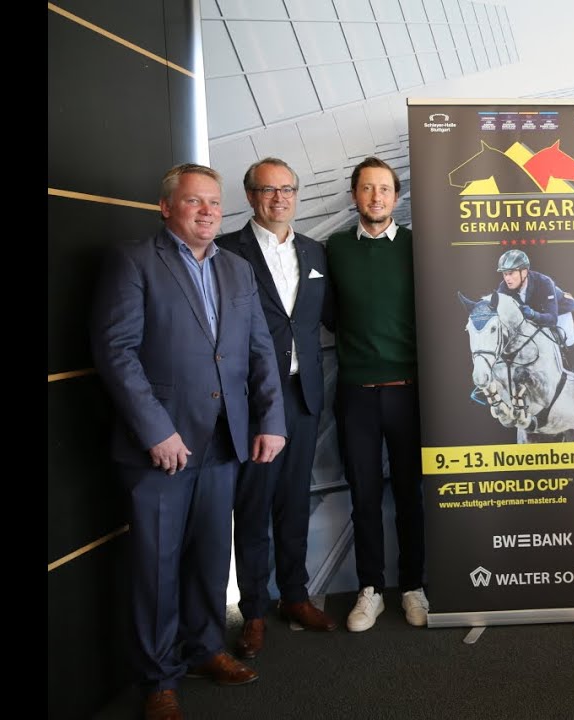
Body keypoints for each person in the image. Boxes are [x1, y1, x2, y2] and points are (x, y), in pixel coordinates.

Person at [90, 163, 286, 720]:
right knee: (156, 566)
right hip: (161, 449)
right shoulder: (133, 261)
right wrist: (156, 430)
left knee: (207, 558)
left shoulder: (237, 270)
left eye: (214, 203)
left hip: (224, 442)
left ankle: (205, 650)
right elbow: (116, 352)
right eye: (194, 201)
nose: (207, 211)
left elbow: (257, 353)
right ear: (166, 207)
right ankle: (158, 679)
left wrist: (271, 419)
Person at [215, 158, 337, 659]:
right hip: (250, 401)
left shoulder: (316, 253)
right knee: (254, 506)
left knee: (294, 500)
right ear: (250, 197)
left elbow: (323, 319)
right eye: (268, 191)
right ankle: (255, 611)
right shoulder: (225, 252)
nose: (279, 198)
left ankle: (295, 596)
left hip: (303, 394)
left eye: (287, 189)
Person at [325, 156, 430, 630]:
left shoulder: (416, 246)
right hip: (357, 394)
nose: (375, 197)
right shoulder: (334, 249)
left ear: (397, 196)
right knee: (364, 494)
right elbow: (329, 314)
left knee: (410, 494)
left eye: (384, 189)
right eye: (367, 189)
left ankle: (413, 587)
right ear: (354, 195)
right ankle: (370, 588)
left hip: (409, 392)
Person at [492, 248, 574, 401]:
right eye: (505, 274)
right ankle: (492, 383)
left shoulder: (544, 282)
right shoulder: (503, 288)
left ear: (524, 272)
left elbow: (552, 319)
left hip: (559, 312)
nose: (507, 278)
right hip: (532, 315)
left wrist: (532, 314)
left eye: (511, 273)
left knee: (568, 339)